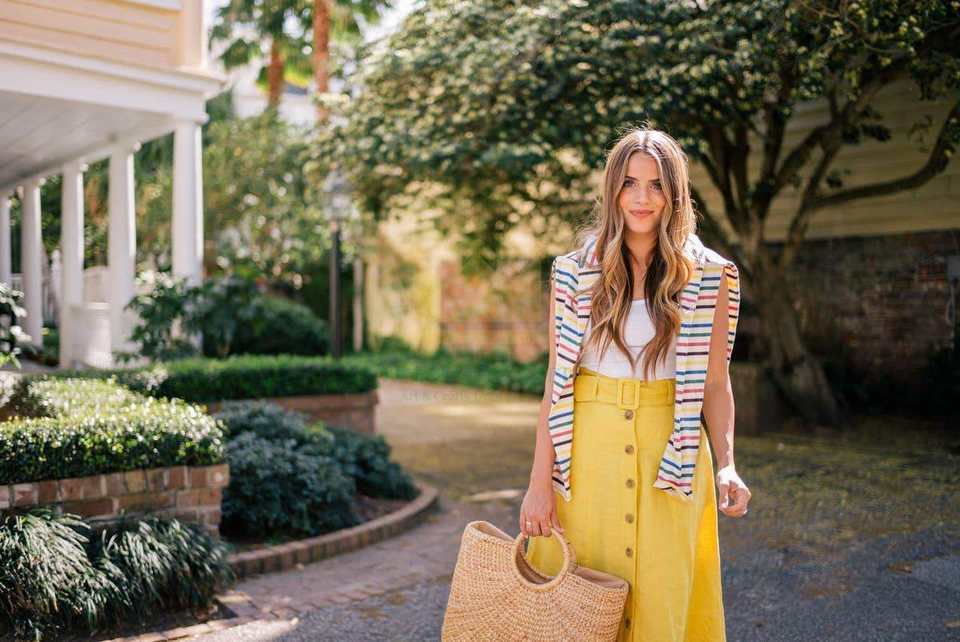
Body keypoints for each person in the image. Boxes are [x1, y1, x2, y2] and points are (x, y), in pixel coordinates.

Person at [519, 127, 752, 642]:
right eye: (629, 183)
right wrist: (539, 484)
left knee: (661, 603)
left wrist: (727, 463)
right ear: (613, 190)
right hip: (586, 463)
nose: (642, 198)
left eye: (656, 184)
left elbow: (716, 383)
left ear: (675, 192)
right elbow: (557, 384)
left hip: (672, 462)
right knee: (578, 609)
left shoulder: (709, 276)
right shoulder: (572, 273)